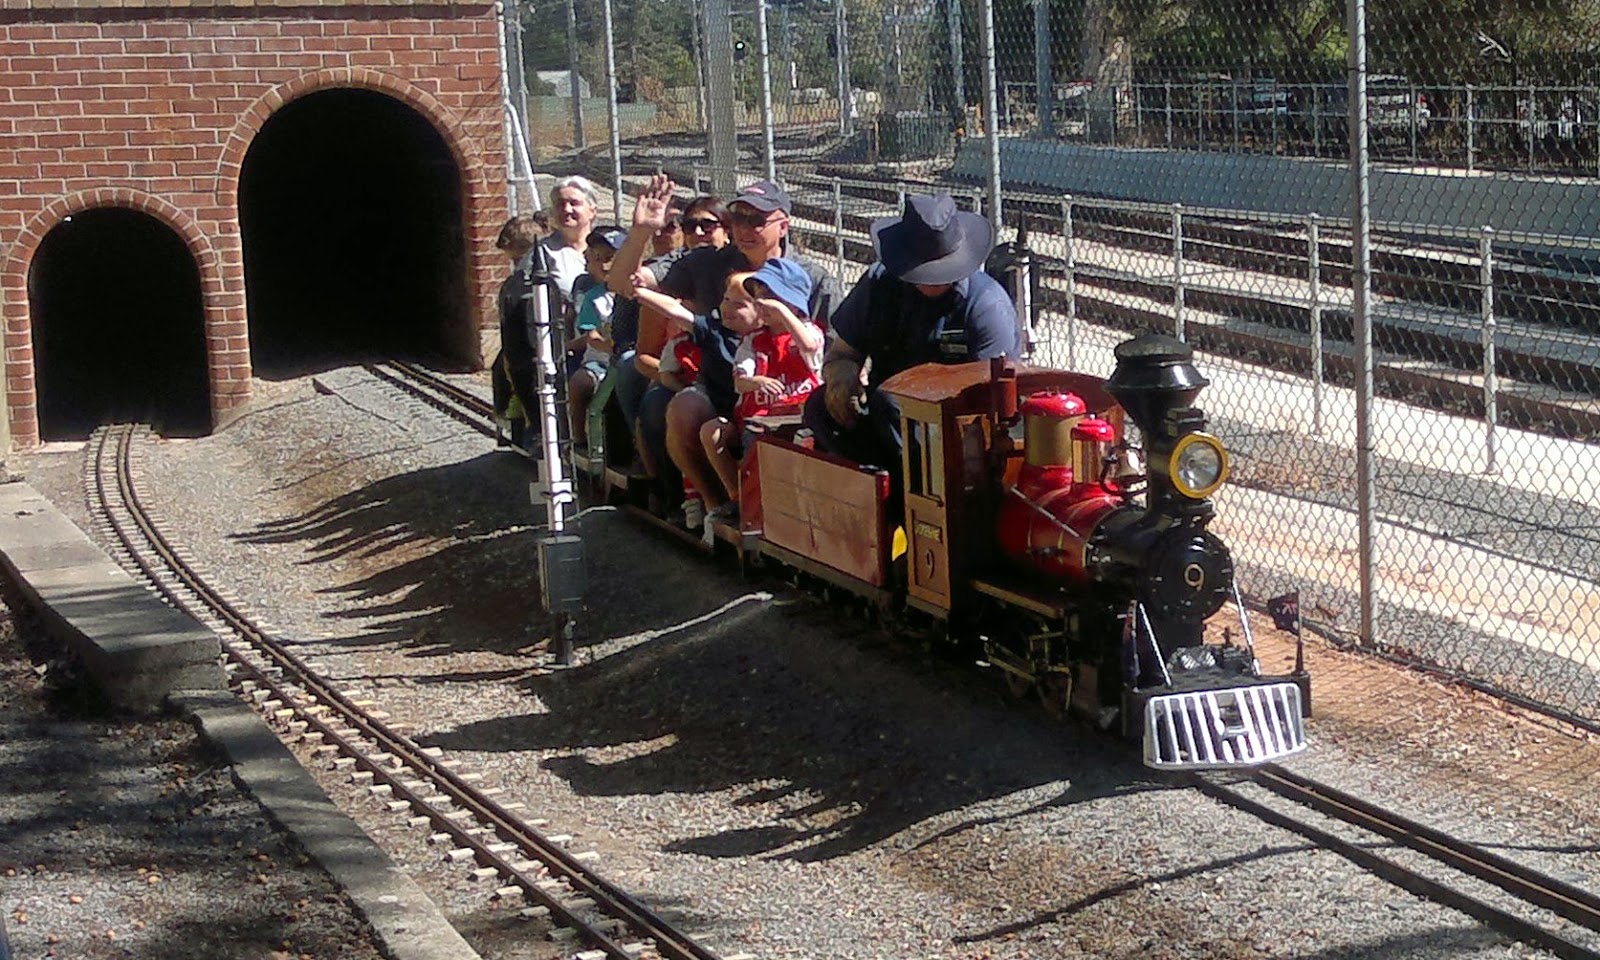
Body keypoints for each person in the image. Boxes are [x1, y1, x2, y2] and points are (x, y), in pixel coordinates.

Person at [612, 175, 840, 520]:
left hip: (789, 395)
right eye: (738, 219)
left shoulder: (812, 277)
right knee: (682, 408)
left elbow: (833, 353)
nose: (745, 228)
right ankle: (716, 505)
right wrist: (642, 231)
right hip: (719, 385)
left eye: (757, 220)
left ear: (783, 225)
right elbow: (621, 283)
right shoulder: (708, 262)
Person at [803, 193, 1019, 494]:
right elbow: (843, 351)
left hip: (953, 433)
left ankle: (921, 503)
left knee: (890, 402)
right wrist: (842, 373)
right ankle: (875, 496)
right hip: (886, 423)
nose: (932, 280)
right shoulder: (879, 285)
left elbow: (992, 399)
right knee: (818, 407)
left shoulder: (986, 306)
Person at [612, 194, 730, 483]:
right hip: (678, 375)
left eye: (708, 225)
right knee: (656, 405)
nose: (698, 233)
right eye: (689, 226)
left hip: (731, 373)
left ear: (728, 229)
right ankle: (666, 488)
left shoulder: (739, 270)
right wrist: (672, 380)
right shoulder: (676, 270)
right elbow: (621, 284)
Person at [701, 259, 823, 522]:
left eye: (771, 296)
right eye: (760, 297)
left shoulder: (810, 332)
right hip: (760, 420)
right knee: (750, 441)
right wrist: (756, 381)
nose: (763, 304)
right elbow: (740, 379)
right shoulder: (754, 340)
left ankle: (796, 509)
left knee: (806, 443)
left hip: (800, 418)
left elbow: (810, 348)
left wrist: (783, 311)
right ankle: (745, 501)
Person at [490, 212, 550, 445]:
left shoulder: (525, 279)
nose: (515, 266)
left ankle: (525, 420)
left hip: (533, 344)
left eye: (515, 260)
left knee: (509, 365)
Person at [567, 227, 626, 452]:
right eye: (598, 259)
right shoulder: (594, 298)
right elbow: (590, 335)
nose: (605, 265)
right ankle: (579, 436)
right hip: (601, 361)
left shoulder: (635, 291)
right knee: (580, 382)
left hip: (629, 358)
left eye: (610, 258)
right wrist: (608, 346)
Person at [541, 176, 600, 311]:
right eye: (560, 204)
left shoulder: (609, 246)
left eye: (574, 203)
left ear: (592, 210)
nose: (567, 209)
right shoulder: (543, 252)